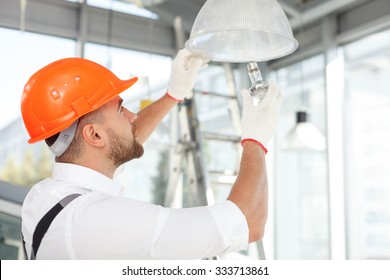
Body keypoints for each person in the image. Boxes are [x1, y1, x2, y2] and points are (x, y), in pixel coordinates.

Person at [20, 49, 282, 260]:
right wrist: (254, 139)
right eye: (121, 110)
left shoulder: (45, 195)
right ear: (94, 136)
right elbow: (249, 221)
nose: (133, 116)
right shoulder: (98, 221)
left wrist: (173, 95)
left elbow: (121, 141)